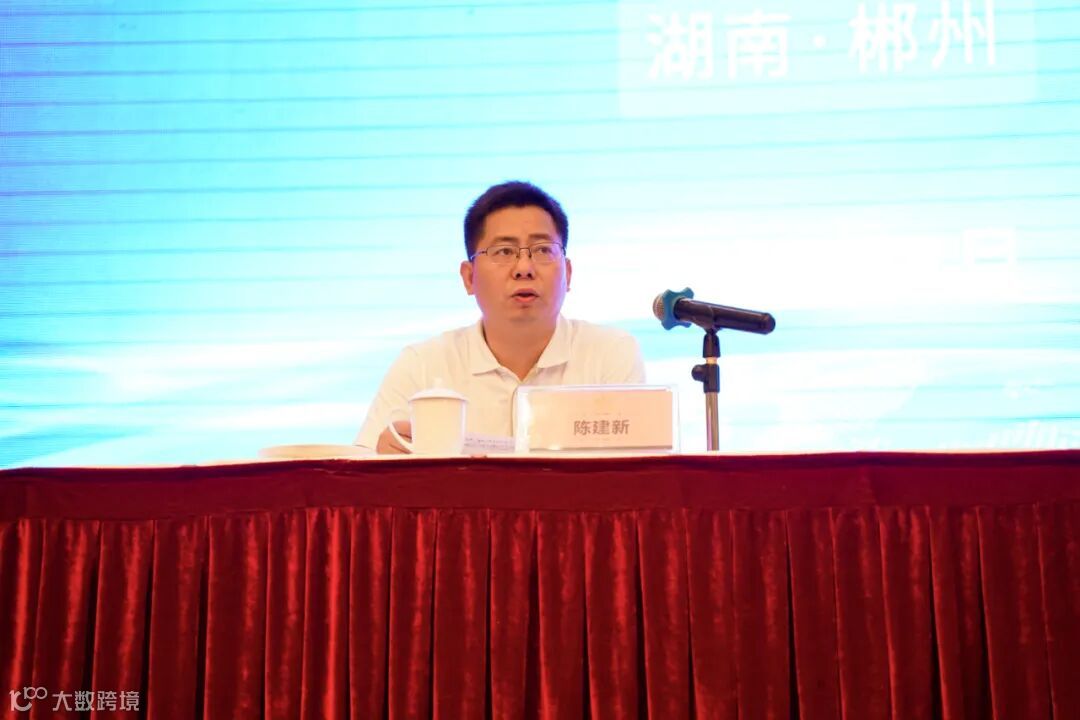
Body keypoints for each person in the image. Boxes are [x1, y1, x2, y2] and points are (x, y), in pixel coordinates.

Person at [355, 180, 645, 453]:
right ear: (469, 277)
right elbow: (357, 468)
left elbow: (638, 475)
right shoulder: (422, 365)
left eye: (543, 250)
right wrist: (383, 461)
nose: (524, 268)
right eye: (504, 251)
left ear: (567, 274)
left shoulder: (610, 355)